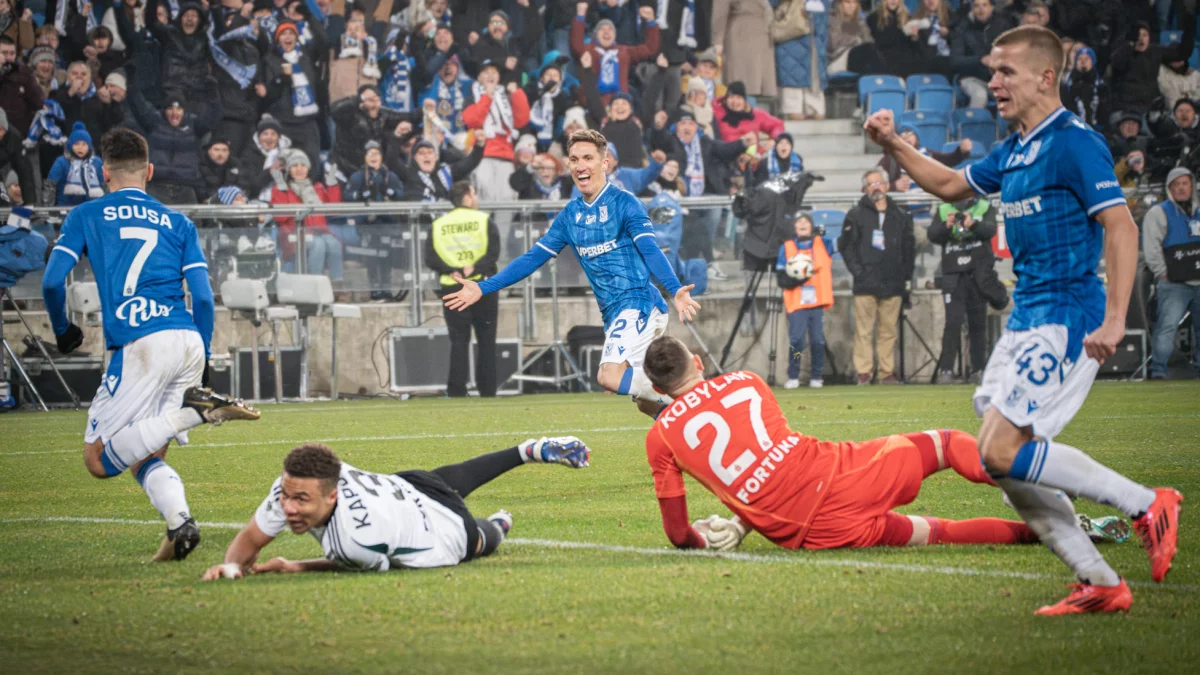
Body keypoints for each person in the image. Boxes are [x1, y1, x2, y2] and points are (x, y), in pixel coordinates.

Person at [864, 24, 1183, 614]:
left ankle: (1146, 503)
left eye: (1005, 71)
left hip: (1069, 313)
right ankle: (1099, 581)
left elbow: (1121, 227)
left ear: (1045, 76)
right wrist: (893, 145)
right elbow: (951, 185)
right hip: (1028, 315)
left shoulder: (1074, 143)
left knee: (1003, 450)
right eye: (992, 71)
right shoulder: (1013, 150)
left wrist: (1116, 319)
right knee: (999, 458)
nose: (993, 82)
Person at [640, 336, 1129, 552]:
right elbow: (776, 456)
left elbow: (680, 534)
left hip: (810, 535)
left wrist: (710, 537)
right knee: (946, 444)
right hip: (841, 477)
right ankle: (1043, 479)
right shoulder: (746, 382)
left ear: (659, 390)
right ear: (698, 362)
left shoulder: (660, 436)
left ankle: (1051, 534)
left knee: (938, 532)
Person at [39, 128, 260, 563]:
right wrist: (204, 357)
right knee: (145, 451)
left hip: (142, 343)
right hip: (187, 338)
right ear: (150, 171)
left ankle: (195, 413)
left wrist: (63, 330)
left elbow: (51, 282)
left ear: (104, 173)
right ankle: (180, 525)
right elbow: (203, 298)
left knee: (98, 460)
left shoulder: (86, 214)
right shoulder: (178, 222)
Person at [444, 129, 701, 418]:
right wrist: (483, 287)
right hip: (614, 312)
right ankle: (685, 425)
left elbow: (650, 249)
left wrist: (674, 288)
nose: (581, 166)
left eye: (588, 158)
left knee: (609, 377)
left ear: (604, 163)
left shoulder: (625, 203)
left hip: (638, 303)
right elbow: (532, 258)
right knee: (644, 401)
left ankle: (692, 396)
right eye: (575, 159)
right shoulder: (570, 216)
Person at [200, 438, 591, 580]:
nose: (287, 508)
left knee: (482, 539)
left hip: (445, 530)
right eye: (286, 496)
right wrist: (230, 566)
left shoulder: (354, 541)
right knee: (451, 477)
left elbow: (346, 563)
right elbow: (251, 538)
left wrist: (295, 566)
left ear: (332, 496)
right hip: (409, 485)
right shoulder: (297, 484)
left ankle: (499, 525)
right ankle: (526, 451)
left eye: (301, 500)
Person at [838, 168, 915, 385]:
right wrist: (859, 273)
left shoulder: (900, 216)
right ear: (864, 189)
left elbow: (909, 249)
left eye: (879, 183)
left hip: (893, 282)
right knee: (863, 330)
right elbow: (846, 247)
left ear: (888, 186)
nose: (876, 188)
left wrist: (904, 277)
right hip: (865, 283)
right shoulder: (855, 215)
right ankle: (864, 372)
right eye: (871, 184)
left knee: (888, 331)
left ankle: (886, 372)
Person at [425, 182, 501, 397]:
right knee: (486, 339)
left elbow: (430, 258)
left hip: (453, 287)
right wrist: (474, 267)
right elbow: (493, 253)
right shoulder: (484, 220)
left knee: (458, 340)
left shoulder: (438, 224)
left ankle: (456, 390)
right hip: (482, 286)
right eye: (474, 194)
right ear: (467, 197)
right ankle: (488, 390)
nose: (476, 198)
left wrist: (451, 270)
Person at [927, 195, 1006, 383]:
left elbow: (990, 230)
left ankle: (978, 369)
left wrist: (973, 224)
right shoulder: (944, 209)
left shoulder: (984, 207)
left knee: (977, 324)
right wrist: (946, 225)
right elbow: (932, 234)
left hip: (977, 274)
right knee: (952, 323)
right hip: (953, 274)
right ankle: (946, 370)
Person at [1142, 167, 1200, 380]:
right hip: (1173, 283)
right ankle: (1159, 371)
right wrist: (1162, 273)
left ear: (1192, 186)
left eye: (1185, 183)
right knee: (1166, 327)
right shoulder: (1159, 212)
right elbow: (1151, 247)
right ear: (1169, 188)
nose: (1182, 188)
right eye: (1177, 184)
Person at [775, 213, 833, 389]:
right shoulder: (786, 248)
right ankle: (794, 375)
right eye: (798, 221)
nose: (802, 224)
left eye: (806, 221)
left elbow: (844, 243)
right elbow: (781, 279)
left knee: (817, 341)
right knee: (797, 342)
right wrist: (799, 278)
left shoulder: (823, 243)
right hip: (797, 303)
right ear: (794, 227)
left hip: (817, 302)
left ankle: (816, 376)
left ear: (811, 226)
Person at [42, 122, 106, 207]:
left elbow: (105, 186)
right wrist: (48, 209)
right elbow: (50, 186)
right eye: (77, 144)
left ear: (89, 146)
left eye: (84, 144)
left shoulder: (97, 162)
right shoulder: (61, 162)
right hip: (66, 209)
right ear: (70, 146)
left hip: (92, 208)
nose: (80, 147)